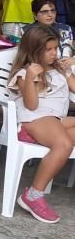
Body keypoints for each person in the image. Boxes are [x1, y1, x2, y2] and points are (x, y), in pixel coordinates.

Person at [6, 25, 75, 223]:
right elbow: (32, 104)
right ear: (34, 51)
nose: (54, 53)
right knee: (63, 145)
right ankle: (33, 195)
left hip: (55, 120)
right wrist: (29, 78)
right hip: (34, 118)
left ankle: (37, 140)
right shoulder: (24, 73)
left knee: (63, 144)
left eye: (56, 48)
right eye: (49, 50)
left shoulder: (57, 69)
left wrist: (67, 71)